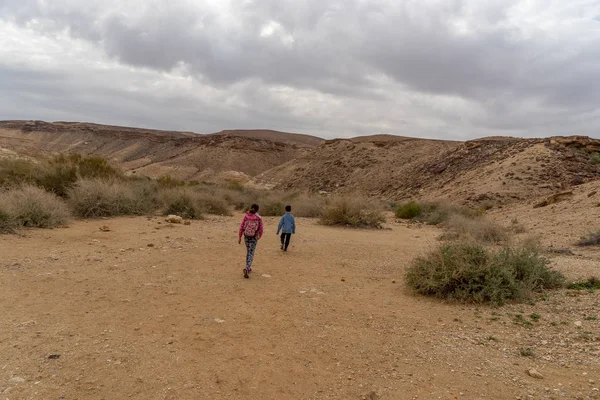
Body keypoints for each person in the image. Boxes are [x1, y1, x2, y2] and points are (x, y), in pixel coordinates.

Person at [238, 204, 263, 279]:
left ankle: (248, 267)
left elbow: (242, 227)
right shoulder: (258, 218)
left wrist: (240, 237)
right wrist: (259, 237)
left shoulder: (246, 216)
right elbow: (261, 229)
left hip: (246, 236)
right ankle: (247, 267)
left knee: (248, 251)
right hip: (254, 237)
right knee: (251, 253)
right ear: (257, 210)